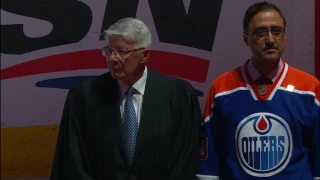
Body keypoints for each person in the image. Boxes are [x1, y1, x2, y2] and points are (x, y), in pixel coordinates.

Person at [49, 17, 202, 180]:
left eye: (121, 52)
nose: (112, 58)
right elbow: (73, 161)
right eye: (108, 50)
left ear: (144, 55)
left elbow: (185, 161)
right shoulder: (84, 97)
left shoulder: (179, 95)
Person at [196, 2, 320, 180]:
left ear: (284, 35)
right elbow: (208, 165)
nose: (270, 40)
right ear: (245, 38)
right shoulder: (222, 89)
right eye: (261, 32)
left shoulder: (310, 89)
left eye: (277, 31)